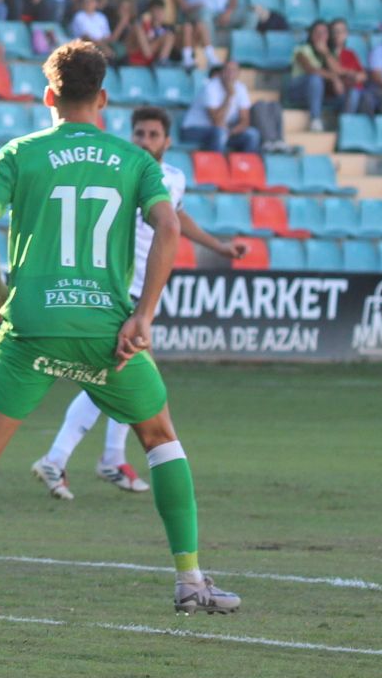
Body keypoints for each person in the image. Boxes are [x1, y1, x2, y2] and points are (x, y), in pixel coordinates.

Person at [0, 41, 238, 636]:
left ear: (49, 95)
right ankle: (190, 581)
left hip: (30, 328)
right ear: (103, 98)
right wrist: (145, 313)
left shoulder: (21, 152)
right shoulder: (136, 162)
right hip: (107, 330)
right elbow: (167, 227)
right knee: (159, 439)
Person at [32, 105, 247, 500]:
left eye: (152, 135)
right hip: (114, 287)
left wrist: (219, 246)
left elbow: (177, 219)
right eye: (139, 134)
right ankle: (62, 457)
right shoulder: (121, 169)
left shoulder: (174, 178)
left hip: (145, 291)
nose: (145, 142)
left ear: (167, 141)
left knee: (117, 375)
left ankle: (105, 458)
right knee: (115, 375)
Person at [181, 60, 260, 154]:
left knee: (252, 135)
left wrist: (233, 131)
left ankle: (243, 167)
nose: (230, 74)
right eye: (227, 70)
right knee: (220, 133)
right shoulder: (211, 87)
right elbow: (217, 121)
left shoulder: (241, 88)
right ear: (221, 72)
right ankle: (216, 167)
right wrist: (228, 96)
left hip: (223, 130)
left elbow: (245, 120)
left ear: (238, 74)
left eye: (234, 71)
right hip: (193, 129)